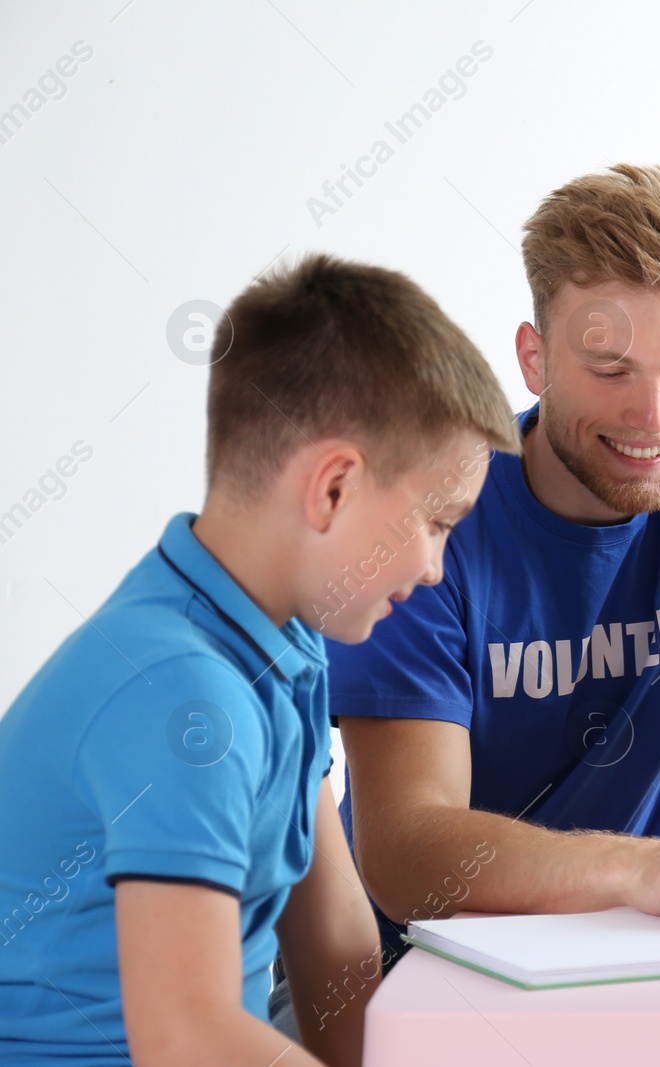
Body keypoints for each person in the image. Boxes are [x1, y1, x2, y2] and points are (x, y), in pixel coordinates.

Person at [330, 164, 660, 969]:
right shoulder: (428, 518)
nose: (652, 418)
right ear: (534, 360)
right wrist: (639, 865)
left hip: (646, 949)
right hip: (417, 969)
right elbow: (407, 853)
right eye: (611, 371)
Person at [0, 254, 517, 1065]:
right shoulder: (181, 693)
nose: (435, 568)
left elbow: (334, 935)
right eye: (437, 523)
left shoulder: (284, 644)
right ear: (333, 488)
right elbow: (189, 1037)